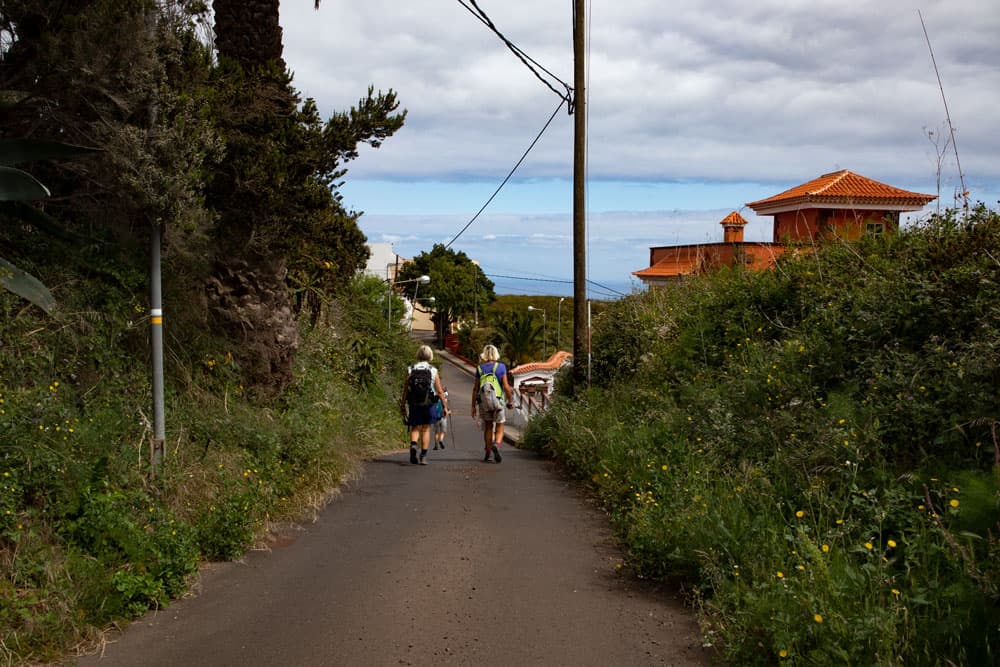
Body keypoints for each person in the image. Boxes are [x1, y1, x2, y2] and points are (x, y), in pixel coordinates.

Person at [401, 345, 449, 465]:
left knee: (415, 427)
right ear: (430, 356)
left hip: (414, 403)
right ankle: (423, 456)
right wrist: (445, 407)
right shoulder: (433, 370)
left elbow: (406, 390)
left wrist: (403, 404)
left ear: (418, 355)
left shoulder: (410, 369)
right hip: (429, 404)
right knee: (426, 429)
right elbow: (439, 391)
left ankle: (413, 445)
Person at [470, 344, 514, 463]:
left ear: (484, 354)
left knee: (488, 427)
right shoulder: (501, 367)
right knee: (499, 426)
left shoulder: (480, 368)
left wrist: (473, 406)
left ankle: (488, 453)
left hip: (484, 404)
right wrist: (510, 401)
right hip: (498, 402)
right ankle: (497, 445)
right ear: (496, 354)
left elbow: (475, 389)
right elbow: (505, 386)